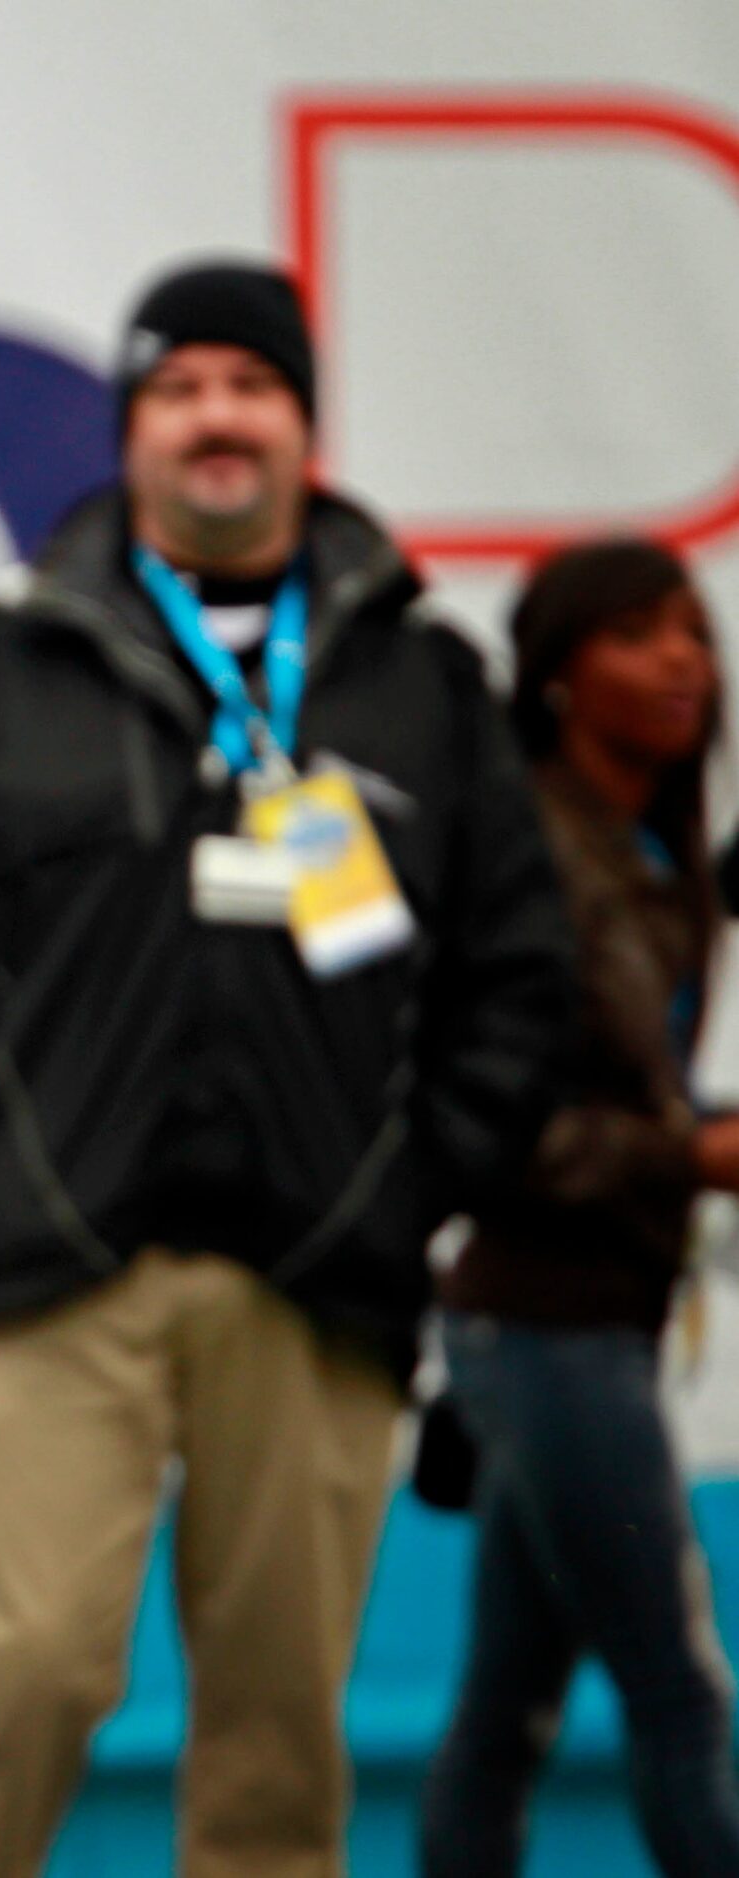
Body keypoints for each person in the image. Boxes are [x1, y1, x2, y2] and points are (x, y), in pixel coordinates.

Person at [0, 259, 575, 1878]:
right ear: (132, 429)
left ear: (303, 426)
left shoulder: (418, 679)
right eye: (180, 389)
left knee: (273, 1725)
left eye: (253, 386)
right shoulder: (8, 661)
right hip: (62, 1273)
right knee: (12, 1676)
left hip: (323, 1285)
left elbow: (521, 977)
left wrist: (407, 1182)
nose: (217, 419)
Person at [420, 539, 739, 1878]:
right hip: (543, 1333)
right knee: (676, 1694)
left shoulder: (656, 856)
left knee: (508, 1708)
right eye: (635, 634)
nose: (681, 658)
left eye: (691, 631)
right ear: (555, 673)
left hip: (579, 1325)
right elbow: (488, 1134)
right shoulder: (528, 852)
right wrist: (694, 1154)